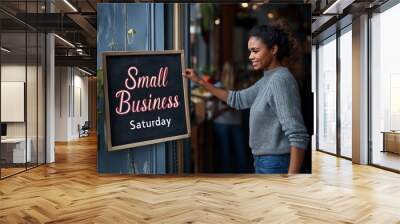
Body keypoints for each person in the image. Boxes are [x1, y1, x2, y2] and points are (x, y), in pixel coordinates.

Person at [184, 24, 309, 174]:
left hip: (276, 163)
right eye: (250, 51)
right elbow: (237, 99)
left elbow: (298, 135)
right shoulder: (267, 79)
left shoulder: (280, 80)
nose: (250, 56)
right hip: (264, 161)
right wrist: (200, 81)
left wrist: (292, 180)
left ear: (273, 50)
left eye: (255, 51)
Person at [212, 62, 248, 173]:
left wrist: (226, 105)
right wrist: (230, 105)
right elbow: (215, 109)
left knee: (237, 155)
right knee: (228, 155)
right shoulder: (219, 86)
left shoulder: (239, 86)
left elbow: (239, 105)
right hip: (224, 124)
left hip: (231, 123)